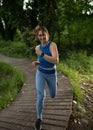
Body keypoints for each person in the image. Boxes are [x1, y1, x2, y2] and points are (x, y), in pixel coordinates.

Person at [32, 26, 59, 130]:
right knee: (41, 95)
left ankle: (55, 82)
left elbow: (55, 60)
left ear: (47, 35)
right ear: (37, 37)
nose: (42, 37)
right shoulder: (37, 48)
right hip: (40, 73)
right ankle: (39, 118)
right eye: (40, 35)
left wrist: (41, 54)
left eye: (44, 34)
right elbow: (43, 60)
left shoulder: (52, 45)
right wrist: (37, 62)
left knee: (52, 95)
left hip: (52, 74)